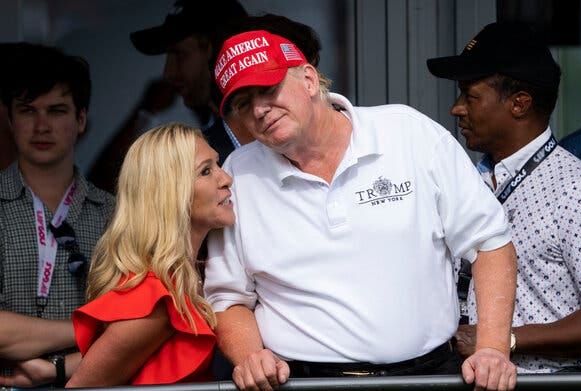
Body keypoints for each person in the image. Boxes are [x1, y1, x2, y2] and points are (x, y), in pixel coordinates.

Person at [204, 16, 519, 391]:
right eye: (242, 103)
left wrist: (493, 349)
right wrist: (249, 356)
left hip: (430, 377)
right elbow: (228, 297)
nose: (258, 110)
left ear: (307, 80)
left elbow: (489, 243)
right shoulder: (238, 174)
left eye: (267, 90)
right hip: (303, 384)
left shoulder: (407, 133)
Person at [427, 21, 581, 373]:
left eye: (470, 96)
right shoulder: (465, 181)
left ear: (519, 104)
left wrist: (501, 339)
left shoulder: (576, 190)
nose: (456, 109)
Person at [66, 123, 234, 386]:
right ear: (170, 193)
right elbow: (82, 387)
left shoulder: (192, 275)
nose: (226, 178)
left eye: (218, 164)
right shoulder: (155, 297)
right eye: (205, 171)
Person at [0, 43, 115, 388]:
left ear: (81, 119)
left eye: (57, 110)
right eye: (28, 110)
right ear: (9, 118)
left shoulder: (116, 214)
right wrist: (86, 328)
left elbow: (134, 329)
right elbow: (113, 330)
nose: (41, 125)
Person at [130, 0, 252, 161]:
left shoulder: (278, 126)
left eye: (179, 54)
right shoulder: (202, 150)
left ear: (214, 50)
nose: (168, 72)